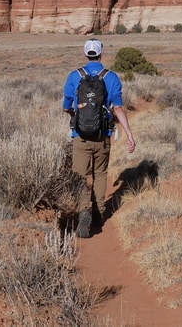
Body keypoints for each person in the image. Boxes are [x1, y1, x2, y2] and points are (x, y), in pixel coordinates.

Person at [63, 38, 136, 238]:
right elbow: (118, 108)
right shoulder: (111, 77)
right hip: (103, 135)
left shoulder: (74, 76)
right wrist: (129, 134)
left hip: (80, 136)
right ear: (101, 54)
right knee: (100, 172)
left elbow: (66, 106)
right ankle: (98, 212)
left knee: (80, 174)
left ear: (85, 54)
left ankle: (83, 210)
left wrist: (75, 117)